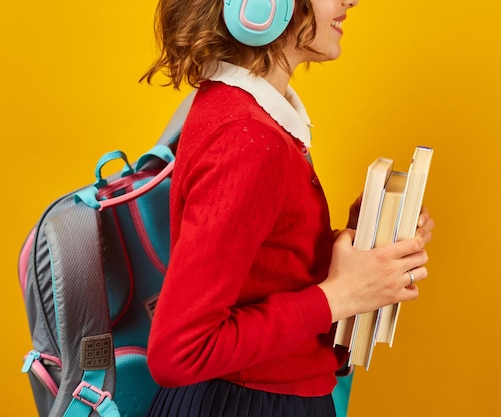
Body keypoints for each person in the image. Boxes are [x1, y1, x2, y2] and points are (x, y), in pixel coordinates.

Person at [141, 0, 435, 416]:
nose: (350, 1)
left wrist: (360, 248)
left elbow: (263, 270)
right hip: (241, 404)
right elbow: (179, 351)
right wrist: (338, 297)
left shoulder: (247, 116)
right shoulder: (247, 138)